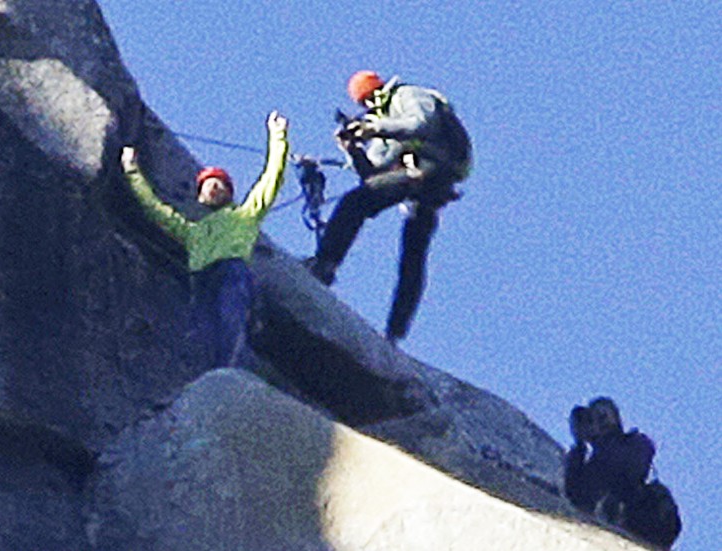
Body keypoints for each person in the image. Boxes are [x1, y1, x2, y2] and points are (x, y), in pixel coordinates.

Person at [306, 70, 472, 342]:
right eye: (365, 102)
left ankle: (325, 264)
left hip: (434, 168)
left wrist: (375, 128)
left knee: (354, 203)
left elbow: (421, 123)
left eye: (369, 97)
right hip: (426, 179)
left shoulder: (406, 95)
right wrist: (353, 149)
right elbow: (373, 178)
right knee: (412, 252)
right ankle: (395, 333)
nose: (368, 106)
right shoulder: (383, 119)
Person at [121, 111, 289, 367]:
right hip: (200, 280)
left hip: (232, 271)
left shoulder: (245, 215)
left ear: (229, 193)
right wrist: (132, 171)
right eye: (207, 185)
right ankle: (208, 374)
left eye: (218, 184)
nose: (212, 187)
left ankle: (229, 371)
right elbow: (155, 209)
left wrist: (278, 136)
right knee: (198, 332)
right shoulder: (193, 232)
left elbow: (271, 178)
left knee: (230, 320)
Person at [564, 397, 680, 548]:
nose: (601, 423)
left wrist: (600, 442)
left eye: (604, 416)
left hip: (645, 518)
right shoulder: (591, 464)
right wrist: (579, 445)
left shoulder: (636, 442)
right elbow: (577, 497)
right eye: (595, 420)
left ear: (616, 418)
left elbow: (627, 468)